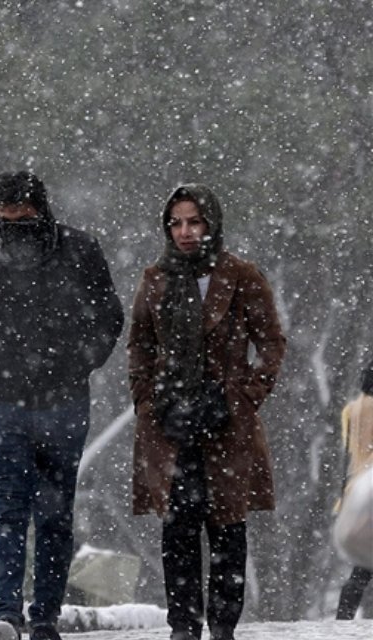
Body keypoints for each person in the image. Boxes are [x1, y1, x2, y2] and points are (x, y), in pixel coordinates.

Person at [0, 170, 124, 640]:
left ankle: (39, 615)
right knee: (15, 513)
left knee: (46, 515)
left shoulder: (79, 250)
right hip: (6, 400)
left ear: (40, 211)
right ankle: (12, 614)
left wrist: (74, 363)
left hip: (55, 401)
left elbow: (107, 317)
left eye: (23, 219)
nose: (15, 230)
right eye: (7, 219)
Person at [127, 184, 287, 640]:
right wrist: (146, 400)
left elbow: (272, 343)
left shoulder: (240, 275)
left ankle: (222, 626)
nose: (185, 232)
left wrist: (244, 395)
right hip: (169, 421)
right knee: (177, 526)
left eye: (194, 221)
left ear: (211, 223)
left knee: (227, 527)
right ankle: (182, 625)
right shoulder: (155, 278)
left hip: (225, 422)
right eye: (176, 222)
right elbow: (139, 343)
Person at [336, 357, 373, 620]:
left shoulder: (353, 410)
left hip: (357, 489)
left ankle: (344, 617)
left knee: (362, 568)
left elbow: (349, 453)